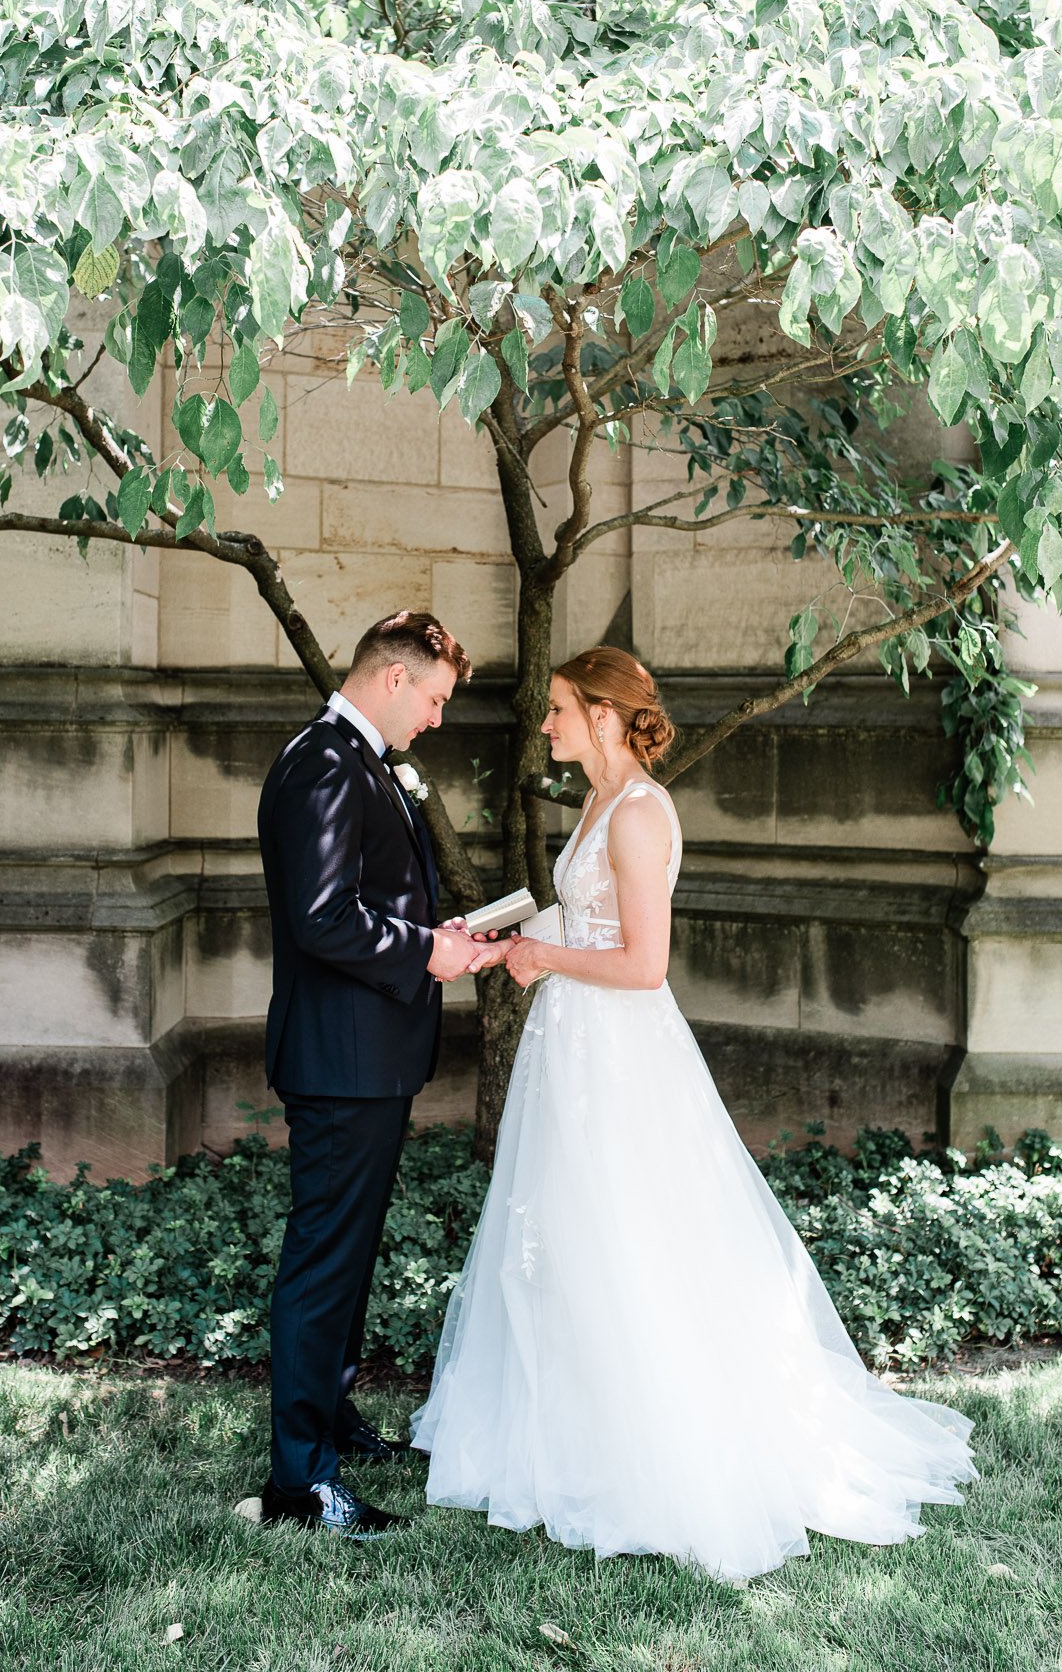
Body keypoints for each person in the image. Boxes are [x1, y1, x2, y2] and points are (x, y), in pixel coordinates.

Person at [410, 646, 978, 1579]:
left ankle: (655, 1447)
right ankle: (572, 1432)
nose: (543, 724)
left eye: (555, 708)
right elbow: (588, 925)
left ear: (601, 714)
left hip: (621, 1055)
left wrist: (542, 961)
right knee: (567, 1233)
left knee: (629, 1234)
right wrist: (515, 938)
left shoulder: (638, 813)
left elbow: (642, 964)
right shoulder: (594, 802)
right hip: (575, 1049)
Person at [257, 609, 495, 1542]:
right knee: (323, 1264)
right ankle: (300, 1485)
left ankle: (331, 1422)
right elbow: (321, 917)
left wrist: (434, 940)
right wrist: (426, 953)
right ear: (393, 679)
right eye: (433, 699)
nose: (435, 719)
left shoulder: (357, 760)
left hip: (368, 1056)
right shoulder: (322, 760)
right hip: (340, 1059)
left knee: (346, 1260)